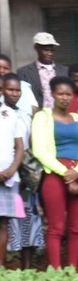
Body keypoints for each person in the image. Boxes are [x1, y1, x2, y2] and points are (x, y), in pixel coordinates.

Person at [30, 75, 78, 270]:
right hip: (54, 175)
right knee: (56, 228)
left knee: (75, 228)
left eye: (68, 94)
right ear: (53, 94)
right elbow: (39, 150)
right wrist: (66, 174)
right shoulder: (42, 117)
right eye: (60, 93)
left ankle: (72, 270)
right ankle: (55, 271)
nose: (65, 98)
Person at [3, 73, 39, 269]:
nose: (14, 93)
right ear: (3, 90)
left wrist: (28, 170)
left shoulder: (25, 116)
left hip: (23, 174)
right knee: (6, 222)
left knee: (27, 217)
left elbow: (29, 144)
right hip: (6, 171)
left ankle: (26, 266)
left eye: (17, 90)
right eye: (10, 89)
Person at [0, 89, 24, 261]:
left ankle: (0, 266)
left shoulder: (10, 114)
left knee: (3, 224)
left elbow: (20, 146)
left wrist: (12, 169)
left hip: (8, 178)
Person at [17, 32, 67, 109]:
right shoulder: (24, 72)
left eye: (52, 50)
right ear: (36, 48)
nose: (49, 53)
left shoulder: (64, 71)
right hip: (36, 116)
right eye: (46, 50)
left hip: (59, 116)